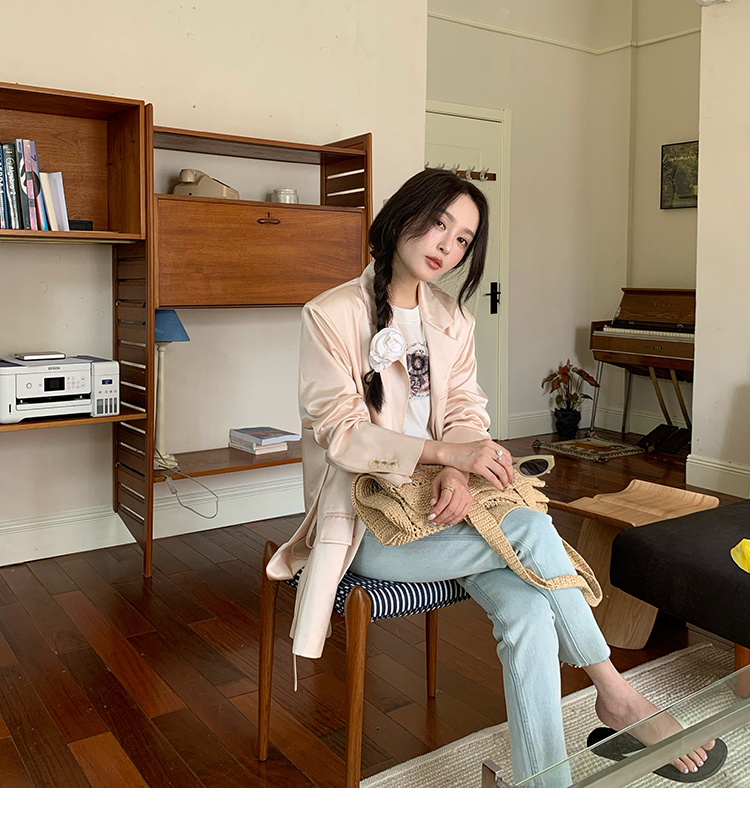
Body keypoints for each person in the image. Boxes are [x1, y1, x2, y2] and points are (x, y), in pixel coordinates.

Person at [267, 168, 714, 786]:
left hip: (447, 510)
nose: (447, 246)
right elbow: (343, 435)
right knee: (528, 529)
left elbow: (465, 412)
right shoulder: (330, 314)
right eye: (439, 223)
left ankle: (543, 790)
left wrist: (457, 473)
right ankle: (616, 693)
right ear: (402, 215)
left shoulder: (453, 318)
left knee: (529, 608)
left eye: (463, 239)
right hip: (370, 528)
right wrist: (450, 458)